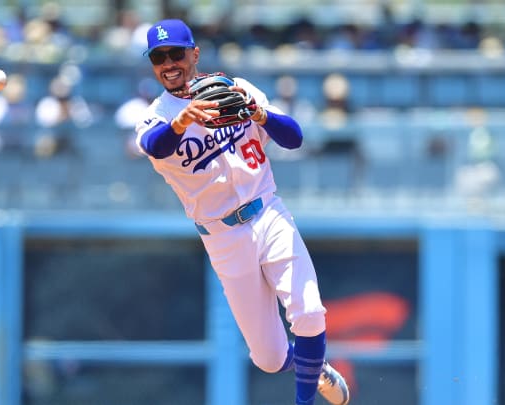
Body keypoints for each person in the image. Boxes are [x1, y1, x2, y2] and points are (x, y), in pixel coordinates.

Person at [134, 19, 350, 405]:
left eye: (176, 53)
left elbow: (294, 137)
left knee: (309, 311)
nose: (168, 63)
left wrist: (259, 113)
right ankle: (312, 367)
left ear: (194, 53)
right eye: (158, 57)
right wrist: (181, 121)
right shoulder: (157, 115)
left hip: (268, 211)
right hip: (223, 237)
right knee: (268, 358)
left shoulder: (234, 89)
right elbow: (155, 145)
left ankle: (305, 399)